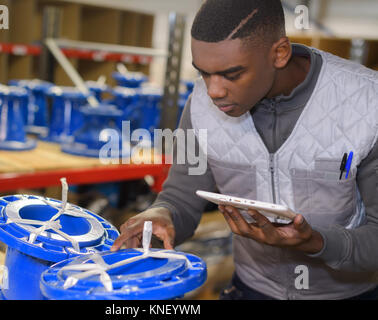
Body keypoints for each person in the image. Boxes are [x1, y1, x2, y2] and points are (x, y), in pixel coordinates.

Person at [111, 0, 378, 300]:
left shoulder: (368, 103)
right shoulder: (198, 106)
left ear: (279, 53)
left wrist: (316, 242)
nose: (213, 91)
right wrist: (162, 214)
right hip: (250, 289)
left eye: (232, 74)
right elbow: (179, 197)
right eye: (203, 73)